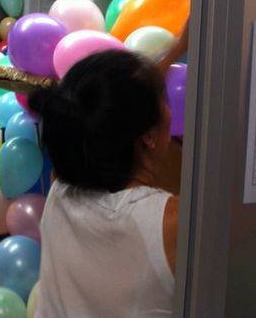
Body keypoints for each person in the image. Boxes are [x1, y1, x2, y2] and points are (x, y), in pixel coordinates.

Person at [30, 30, 188, 318]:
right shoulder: (174, 223)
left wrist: (179, 48)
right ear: (148, 137)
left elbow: (102, 114)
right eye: (164, 100)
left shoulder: (60, 190)